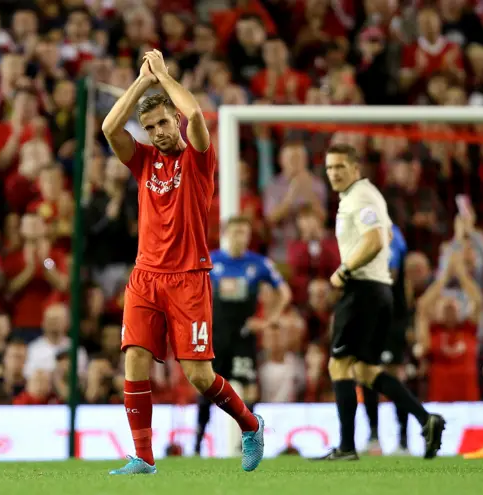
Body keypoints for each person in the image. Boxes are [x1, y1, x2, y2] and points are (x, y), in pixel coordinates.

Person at [101, 49, 265, 475]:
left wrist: (165, 77)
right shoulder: (142, 162)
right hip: (145, 276)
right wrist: (141, 82)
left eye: (162, 122)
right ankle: (143, 456)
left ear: (174, 120)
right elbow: (108, 127)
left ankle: (250, 424)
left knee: (198, 375)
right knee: (134, 358)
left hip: (189, 277)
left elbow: (195, 114)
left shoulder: (197, 158)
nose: (157, 132)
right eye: (150, 126)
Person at [317, 143, 445, 461]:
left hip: (362, 290)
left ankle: (347, 447)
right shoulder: (366, 195)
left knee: (339, 365)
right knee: (365, 369)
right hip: (377, 291)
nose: (333, 173)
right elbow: (386, 235)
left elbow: (376, 239)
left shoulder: (359, 197)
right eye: (330, 168)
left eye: (340, 167)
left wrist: (345, 270)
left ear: (356, 168)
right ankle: (425, 418)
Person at [194, 215, 291, 455]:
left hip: (244, 335)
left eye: (245, 233)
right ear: (226, 233)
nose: (241, 238)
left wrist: (269, 320)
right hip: (215, 336)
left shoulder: (258, 264)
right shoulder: (211, 261)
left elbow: (284, 293)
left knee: (248, 387)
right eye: (236, 232)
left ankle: (245, 442)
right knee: (206, 386)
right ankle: (196, 443)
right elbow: (191, 292)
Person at [362, 223, 412, 455]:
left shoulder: (391, 234)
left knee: (392, 373)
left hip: (390, 316)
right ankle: (374, 437)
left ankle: (403, 440)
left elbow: (389, 274)